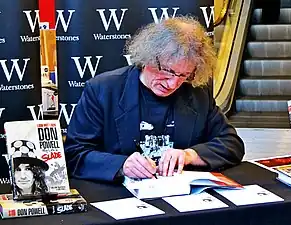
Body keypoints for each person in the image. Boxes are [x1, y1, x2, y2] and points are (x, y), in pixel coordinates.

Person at [64, 16, 245, 182]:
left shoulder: (196, 93)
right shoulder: (103, 90)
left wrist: (190, 155)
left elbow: (232, 144)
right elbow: (74, 154)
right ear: (148, 58)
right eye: (168, 71)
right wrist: (121, 165)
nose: (174, 83)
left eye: (184, 75)